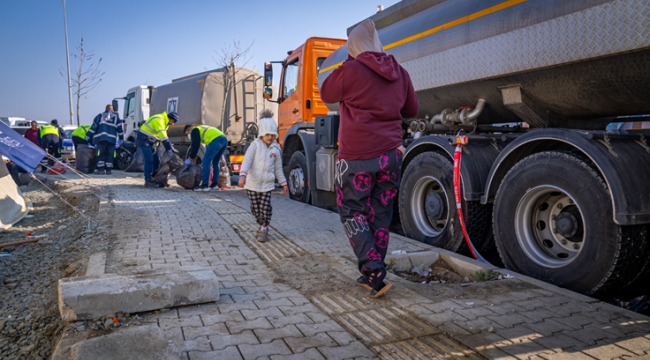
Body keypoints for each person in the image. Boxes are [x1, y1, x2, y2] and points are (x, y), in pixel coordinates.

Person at [321, 19, 419, 298]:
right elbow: (412, 108)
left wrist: (347, 65)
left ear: (353, 46)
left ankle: (373, 270)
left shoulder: (350, 70)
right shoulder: (399, 71)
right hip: (390, 156)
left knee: (352, 210)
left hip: (356, 158)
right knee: (380, 213)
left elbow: (326, 92)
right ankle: (373, 272)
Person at [238, 110, 288, 242]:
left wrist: (284, 183)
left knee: (265, 208)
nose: (270, 137)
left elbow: (278, 169)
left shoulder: (275, 149)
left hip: (267, 185)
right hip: (252, 184)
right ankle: (261, 224)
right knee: (255, 208)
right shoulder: (254, 146)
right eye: (267, 134)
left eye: (272, 135)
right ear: (261, 133)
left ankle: (264, 227)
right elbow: (246, 161)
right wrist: (242, 176)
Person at [135, 111, 178, 188]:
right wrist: (169, 149)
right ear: (170, 119)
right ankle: (148, 181)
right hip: (144, 140)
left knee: (156, 160)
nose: (173, 124)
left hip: (151, 141)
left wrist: (171, 147)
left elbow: (163, 136)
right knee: (149, 160)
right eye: (173, 121)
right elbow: (163, 137)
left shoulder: (165, 122)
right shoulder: (159, 120)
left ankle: (156, 179)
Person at [183, 124, 228, 191]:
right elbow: (208, 142)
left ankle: (204, 185)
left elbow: (195, 146)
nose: (188, 135)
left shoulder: (194, 130)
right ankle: (214, 185)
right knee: (216, 162)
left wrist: (190, 158)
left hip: (215, 141)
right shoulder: (202, 128)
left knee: (206, 161)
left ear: (189, 129)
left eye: (187, 134)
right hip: (224, 140)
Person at [87, 105, 124, 175]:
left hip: (101, 139)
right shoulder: (116, 118)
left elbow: (94, 126)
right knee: (110, 155)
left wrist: (88, 135)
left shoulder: (100, 116)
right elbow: (120, 130)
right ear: (112, 110)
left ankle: (101, 170)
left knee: (100, 154)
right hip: (112, 140)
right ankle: (109, 170)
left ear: (105, 109)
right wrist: (121, 139)